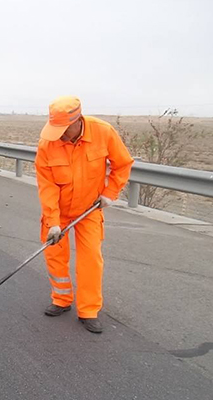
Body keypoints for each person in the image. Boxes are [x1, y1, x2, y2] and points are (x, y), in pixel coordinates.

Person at [35, 96, 134, 333]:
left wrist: (110, 192)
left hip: (89, 210)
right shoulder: (47, 144)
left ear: (77, 120)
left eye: (63, 129)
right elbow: (46, 186)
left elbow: (123, 163)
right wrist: (52, 222)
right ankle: (61, 299)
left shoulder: (103, 132)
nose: (59, 134)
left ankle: (88, 310)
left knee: (91, 259)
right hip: (58, 211)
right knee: (55, 255)